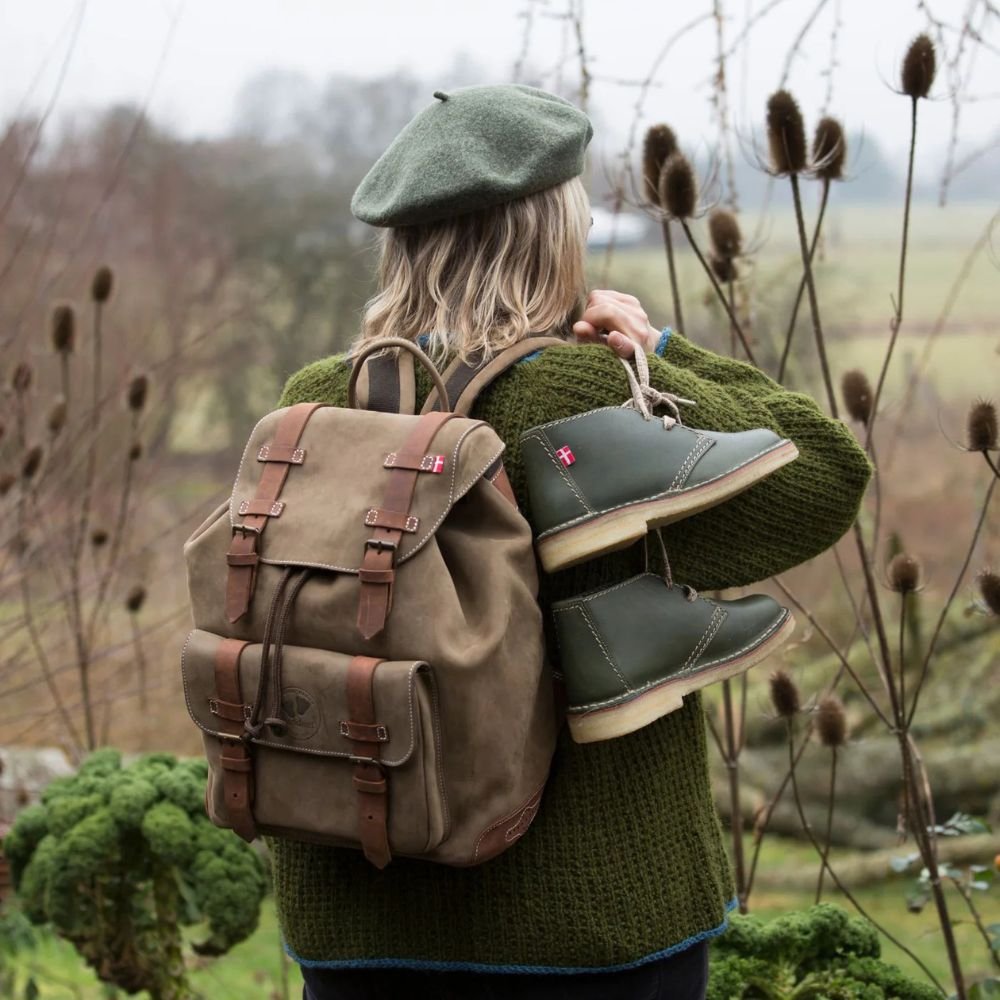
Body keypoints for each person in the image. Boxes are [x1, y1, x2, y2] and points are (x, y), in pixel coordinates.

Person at [272, 84, 871, 1000]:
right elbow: (824, 478)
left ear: (401, 242)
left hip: (357, 925)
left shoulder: (315, 401)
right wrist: (656, 348)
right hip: (595, 937)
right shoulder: (591, 399)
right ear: (553, 229)